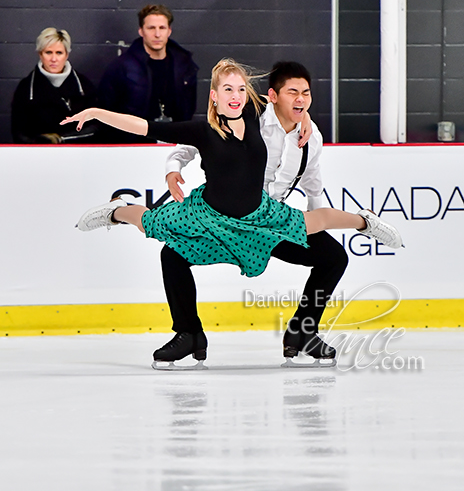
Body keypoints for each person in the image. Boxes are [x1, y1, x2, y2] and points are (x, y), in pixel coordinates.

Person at [61, 58, 403, 366]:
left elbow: (296, 121)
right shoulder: (205, 129)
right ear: (214, 96)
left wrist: (306, 117)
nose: (236, 94)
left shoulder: (258, 116)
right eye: (227, 89)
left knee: (327, 240)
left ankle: (306, 327)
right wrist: (96, 113)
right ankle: (120, 219)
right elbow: (145, 127)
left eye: (241, 88)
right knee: (153, 229)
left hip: (262, 218)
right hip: (211, 218)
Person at [164, 61, 349, 363]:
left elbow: (314, 186)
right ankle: (189, 334)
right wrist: (173, 169)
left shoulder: (311, 137)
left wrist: (317, 226)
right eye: (293, 93)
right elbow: (191, 142)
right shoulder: (249, 118)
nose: (300, 100)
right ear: (273, 96)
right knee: (172, 255)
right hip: (230, 223)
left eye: (306, 93)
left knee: (333, 258)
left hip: (273, 223)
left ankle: (302, 332)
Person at [97, 4, 198, 143]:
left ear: (169, 31)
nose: (157, 34)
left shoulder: (184, 65)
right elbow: (105, 110)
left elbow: (189, 109)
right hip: (134, 146)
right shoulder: (122, 67)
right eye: (151, 28)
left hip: (175, 143)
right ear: (141, 31)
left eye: (162, 28)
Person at [11, 28, 97, 144]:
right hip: (39, 157)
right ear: (40, 54)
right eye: (48, 52)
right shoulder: (26, 88)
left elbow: (96, 127)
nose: (53, 59)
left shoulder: (84, 86)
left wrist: (62, 139)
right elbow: (18, 132)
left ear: (67, 54)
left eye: (59, 53)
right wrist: (40, 141)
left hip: (77, 155)